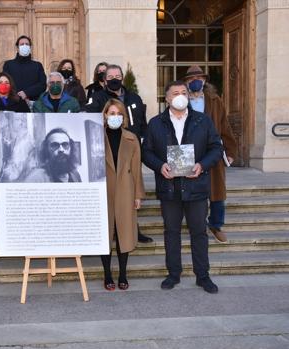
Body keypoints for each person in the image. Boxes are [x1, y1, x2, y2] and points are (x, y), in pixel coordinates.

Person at [142, 80, 222, 294]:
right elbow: (146, 152)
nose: (180, 96)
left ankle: (203, 276)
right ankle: (173, 274)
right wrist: (160, 166)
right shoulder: (156, 123)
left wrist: (202, 165)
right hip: (169, 187)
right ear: (167, 98)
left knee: (199, 232)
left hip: (196, 186)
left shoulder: (202, 121)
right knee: (171, 232)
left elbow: (216, 147)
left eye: (184, 92)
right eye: (175, 93)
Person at [85, 64, 152, 243]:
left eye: (117, 75)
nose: (114, 78)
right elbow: (89, 119)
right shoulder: (98, 98)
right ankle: (110, 232)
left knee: (129, 191)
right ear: (104, 79)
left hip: (130, 148)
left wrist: (143, 139)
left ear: (122, 77)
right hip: (108, 149)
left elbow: (142, 122)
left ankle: (133, 230)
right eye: (110, 76)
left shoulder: (134, 98)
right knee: (111, 194)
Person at [182, 65, 238, 243]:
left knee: (217, 191)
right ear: (186, 83)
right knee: (190, 189)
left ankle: (215, 224)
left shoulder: (215, 100)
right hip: (188, 152)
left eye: (198, 78)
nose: (195, 81)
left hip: (212, 151)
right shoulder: (180, 101)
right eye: (191, 79)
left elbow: (225, 126)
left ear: (204, 80)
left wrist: (230, 150)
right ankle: (195, 224)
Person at [101, 99, 145, 291]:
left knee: (123, 234)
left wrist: (138, 195)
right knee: (105, 234)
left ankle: (123, 274)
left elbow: (137, 169)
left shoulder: (131, 138)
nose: (115, 117)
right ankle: (107, 275)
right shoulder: (95, 136)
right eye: (112, 113)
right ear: (105, 115)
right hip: (103, 191)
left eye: (119, 113)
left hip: (126, 189)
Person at [3, 35, 47, 102]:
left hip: (33, 103)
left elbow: (42, 85)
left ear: (30, 47)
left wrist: (26, 93)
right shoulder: (8, 65)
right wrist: (19, 96)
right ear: (17, 48)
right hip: (13, 102)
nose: (24, 46)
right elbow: (6, 83)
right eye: (22, 44)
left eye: (27, 44)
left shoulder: (37, 65)